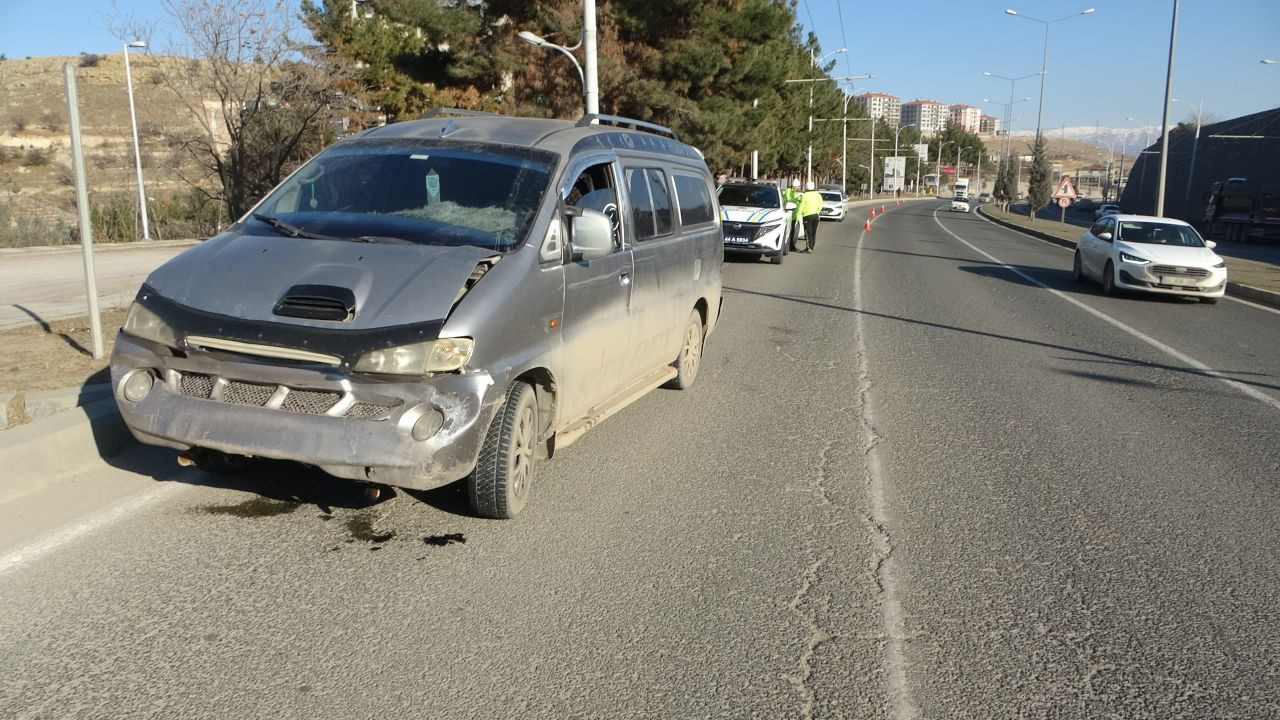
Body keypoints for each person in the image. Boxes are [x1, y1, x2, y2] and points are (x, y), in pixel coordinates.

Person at [798, 181, 824, 253]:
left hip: (807, 216)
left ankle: (809, 248)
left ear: (806, 187)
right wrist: (817, 211)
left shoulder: (804, 195)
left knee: (808, 232)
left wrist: (798, 215)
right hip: (815, 215)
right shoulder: (818, 195)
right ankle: (812, 247)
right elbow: (821, 205)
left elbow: (801, 206)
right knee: (813, 232)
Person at [782, 178, 802, 251]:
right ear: (794, 186)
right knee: (789, 232)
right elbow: (789, 200)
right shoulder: (788, 191)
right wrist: (798, 199)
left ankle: (791, 246)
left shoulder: (794, 192)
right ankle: (790, 247)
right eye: (797, 186)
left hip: (794, 215)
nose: (798, 188)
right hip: (789, 214)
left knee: (792, 232)